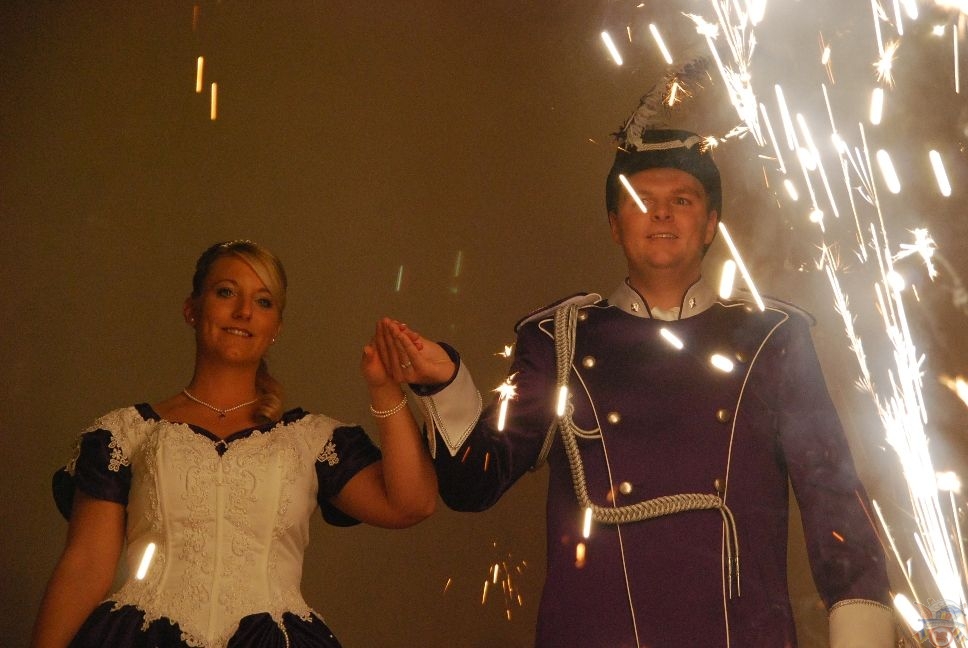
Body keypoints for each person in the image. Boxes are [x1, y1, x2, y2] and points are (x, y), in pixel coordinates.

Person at [376, 130, 896, 646]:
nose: (661, 213)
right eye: (641, 201)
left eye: (682, 200)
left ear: (710, 224)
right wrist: (445, 382)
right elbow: (474, 485)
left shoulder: (772, 336)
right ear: (614, 225)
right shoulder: (558, 339)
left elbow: (834, 499)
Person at [30, 240, 437, 648]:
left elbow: (411, 504)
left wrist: (384, 388)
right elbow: (85, 567)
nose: (244, 311)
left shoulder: (310, 440)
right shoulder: (126, 434)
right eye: (226, 292)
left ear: (276, 327)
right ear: (192, 309)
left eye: (263, 301)